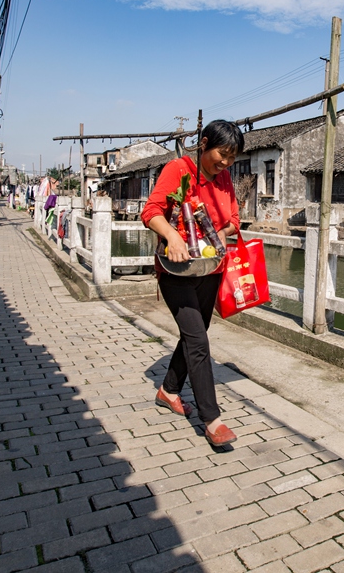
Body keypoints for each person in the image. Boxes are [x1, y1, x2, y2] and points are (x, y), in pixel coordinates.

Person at [141, 120, 243, 447]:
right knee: (198, 341)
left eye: (232, 157)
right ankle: (212, 420)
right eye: (221, 154)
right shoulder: (179, 169)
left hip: (210, 268)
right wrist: (173, 233)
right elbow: (151, 211)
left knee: (195, 334)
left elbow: (233, 221)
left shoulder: (225, 178)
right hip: (176, 269)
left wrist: (214, 234)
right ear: (203, 144)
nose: (225, 163)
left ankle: (168, 390)